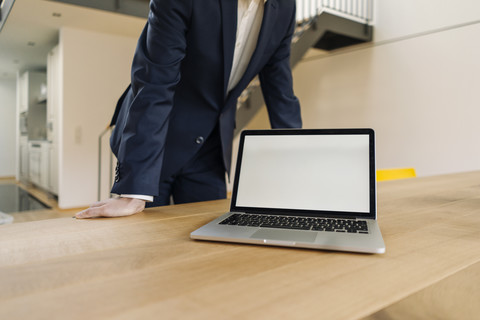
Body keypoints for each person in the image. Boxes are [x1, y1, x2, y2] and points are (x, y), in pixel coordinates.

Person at [75, 0, 302, 219]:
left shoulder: (285, 7)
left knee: (210, 242)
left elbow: (280, 92)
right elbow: (155, 84)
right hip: (155, 141)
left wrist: (297, 166)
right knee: (143, 244)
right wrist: (134, 190)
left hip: (210, 148)